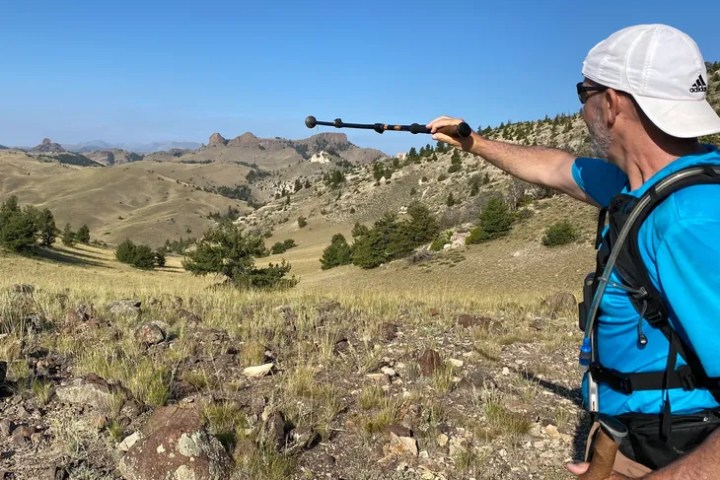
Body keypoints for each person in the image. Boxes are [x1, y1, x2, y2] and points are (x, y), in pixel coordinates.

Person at [428, 24, 720, 479]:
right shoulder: (645, 184)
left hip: (676, 445)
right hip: (630, 427)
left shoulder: (691, 218)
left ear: (613, 104)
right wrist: (474, 142)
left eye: (584, 92)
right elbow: (555, 167)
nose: (581, 109)